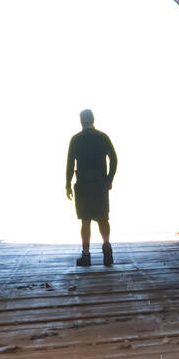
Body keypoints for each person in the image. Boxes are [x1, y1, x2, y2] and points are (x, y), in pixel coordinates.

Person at [65, 109, 117, 266]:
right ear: (93, 119)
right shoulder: (103, 137)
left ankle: (86, 256)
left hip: (83, 185)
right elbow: (114, 159)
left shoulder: (76, 139)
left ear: (81, 121)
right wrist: (109, 179)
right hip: (100, 184)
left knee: (85, 221)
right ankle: (107, 251)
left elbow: (70, 165)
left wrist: (67, 184)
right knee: (103, 219)